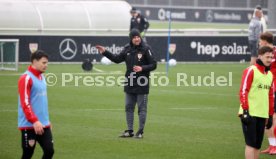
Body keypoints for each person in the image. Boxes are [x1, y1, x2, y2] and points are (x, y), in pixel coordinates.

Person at [96, 29, 157, 138]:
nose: (137, 39)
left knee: (142, 108)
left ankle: (140, 132)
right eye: (134, 37)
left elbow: (153, 64)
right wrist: (105, 52)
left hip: (142, 83)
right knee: (129, 107)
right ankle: (129, 131)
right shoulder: (127, 49)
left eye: (138, 37)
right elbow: (116, 59)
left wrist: (142, 68)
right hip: (129, 82)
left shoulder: (146, 49)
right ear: (131, 39)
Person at [238, 46, 274, 159]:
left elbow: (270, 96)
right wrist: (245, 110)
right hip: (250, 113)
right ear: (260, 56)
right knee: (250, 143)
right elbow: (243, 90)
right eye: (267, 57)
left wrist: (270, 114)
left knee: (257, 145)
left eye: (271, 57)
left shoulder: (270, 75)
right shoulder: (251, 70)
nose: (269, 60)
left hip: (262, 114)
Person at [18, 50, 54, 159]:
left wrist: (46, 120)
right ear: (34, 61)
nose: (46, 65)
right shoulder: (25, 78)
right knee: (28, 154)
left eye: (47, 63)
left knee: (49, 151)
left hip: (43, 124)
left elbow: (41, 102)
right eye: (44, 63)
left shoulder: (42, 77)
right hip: (29, 125)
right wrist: (34, 120)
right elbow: (25, 102)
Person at [258, 32, 276, 155]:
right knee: (268, 116)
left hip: (272, 87)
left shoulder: (270, 53)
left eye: (260, 40)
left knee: (271, 116)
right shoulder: (269, 51)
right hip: (267, 85)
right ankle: (272, 145)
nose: (259, 42)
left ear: (264, 40)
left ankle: (274, 146)